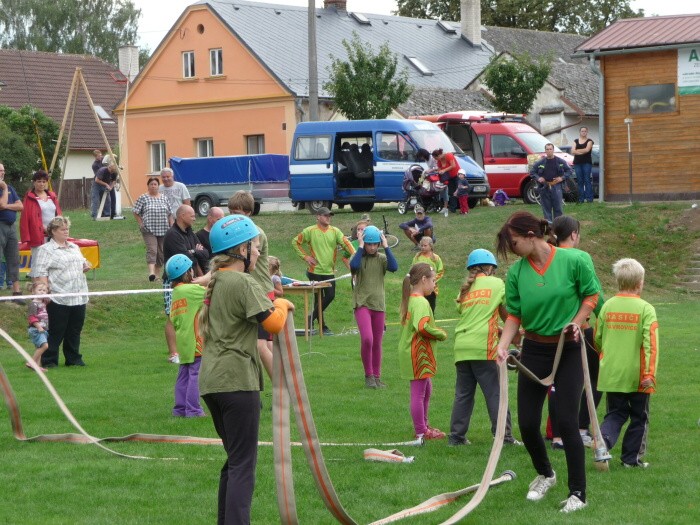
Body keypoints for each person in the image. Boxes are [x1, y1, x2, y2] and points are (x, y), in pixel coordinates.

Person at [494, 211, 600, 514]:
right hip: (534, 350)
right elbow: (514, 315)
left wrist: (577, 323)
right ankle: (546, 474)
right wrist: (503, 346)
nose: (511, 250)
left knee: (566, 421)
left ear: (530, 235)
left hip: (568, 348)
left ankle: (578, 493)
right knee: (527, 424)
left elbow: (591, 296)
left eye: (513, 243)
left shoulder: (575, 260)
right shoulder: (516, 273)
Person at [197, 214, 293, 525]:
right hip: (236, 382)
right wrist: (283, 304)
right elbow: (273, 324)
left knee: (234, 461)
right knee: (243, 465)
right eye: (254, 247)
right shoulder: (241, 281)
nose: (257, 253)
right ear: (240, 250)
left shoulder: (219, 280)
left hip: (213, 382)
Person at [449, 249, 520, 447]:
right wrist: (515, 334)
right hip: (484, 347)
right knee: (496, 393)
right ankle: (504, 437)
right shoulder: (497, 284)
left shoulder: (464, 291)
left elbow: (474, 317)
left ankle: (456, 438)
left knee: (463, 395)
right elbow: (507, 313)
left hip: (462, 347)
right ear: (490, 268)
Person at [596, 258, 659, 469]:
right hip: (638, 374)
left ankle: (603, 441)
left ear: (617, 281)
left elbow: (597, 337)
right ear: (640, 282)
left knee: (615, 412)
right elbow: (651, 344)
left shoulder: (607, 306)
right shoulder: (646, 309)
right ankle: (630, 460)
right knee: (639, 417)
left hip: (612, 372)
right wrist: (649, 374)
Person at [550, 215, 604, 447]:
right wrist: (606, 316)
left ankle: (558, 435)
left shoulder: (547, 256)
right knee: (593, 379)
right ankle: (580, 427)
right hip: (578, 329)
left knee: (554, 383)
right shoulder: (580, 257)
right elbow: (594, 293)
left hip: (548, 330)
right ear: (573, 234)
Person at [228, 191, 276, 377]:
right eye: (231, 213)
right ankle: (259, 389)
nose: (233, 217)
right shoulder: (238, 233)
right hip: (249, 293)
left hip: (261, 293)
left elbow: (245, 263)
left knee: (260, 345)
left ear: (248, 212)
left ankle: (281, 390)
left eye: (237, 213)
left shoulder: (255, 233)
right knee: (259, 345)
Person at [33, 216, 91, 368]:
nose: (66, 232)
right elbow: (41, 273)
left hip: (79, 295)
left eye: (67, 229)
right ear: (53, 231)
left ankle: (73, 359)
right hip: (58, 296)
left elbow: (82, 263)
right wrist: (44, 294)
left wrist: (85, 266)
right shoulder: (45, 250)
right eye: (62, 229)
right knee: (56, 330)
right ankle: (49, 360)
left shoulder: (74, 247)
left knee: (74, 330)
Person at [398, 262, 448, 440]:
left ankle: (424, 426)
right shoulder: (420, 302)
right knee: (418, 393)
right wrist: (439, 334)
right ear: (424, 280)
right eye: (433, 280)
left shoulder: (413, 299)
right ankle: (421, 431)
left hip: (416, 352)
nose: (435, 284)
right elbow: (421, 327)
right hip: (416, 353)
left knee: (426, 389)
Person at [292, 206, 355, 336]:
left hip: (329, 271)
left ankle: (311, 318)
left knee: (330, 296)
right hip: (315, 271)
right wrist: (306, 257)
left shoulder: (335, 231)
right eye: (326, 215)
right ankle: (322, 326)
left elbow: (346, 243)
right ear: (318, 217)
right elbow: (295, 242)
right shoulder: (310, 231)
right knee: (318, 298)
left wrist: (355, 254)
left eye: (329, 216)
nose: (328, 218)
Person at [349, 225, 398, 389]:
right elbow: (353, 266)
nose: (372, 247)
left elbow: (394, 267)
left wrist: (386, 245)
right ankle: (368, 375)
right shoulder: (357, 257)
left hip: (378, 304)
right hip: (362, 303)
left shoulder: (382, 258)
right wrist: (360, 245)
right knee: (367, 339)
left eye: (374, 244)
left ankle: (377, 377)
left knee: (377, 342)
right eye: (369, 244)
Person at [163, 205, 209, 364]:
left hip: (191, 278)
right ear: (181, 215)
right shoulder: (172, 235)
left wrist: (194, 252)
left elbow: (204, 253)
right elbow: (183, 257)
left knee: (193, 314)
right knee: (172, 314)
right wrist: (194, 253)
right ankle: (173, 353)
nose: (195, 218)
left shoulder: (190, 232)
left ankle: (193, 345)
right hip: (173, 281)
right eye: (192, 215)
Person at [166, 254, 206, 418]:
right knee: (196, 374)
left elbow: (173, 319)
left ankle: (180, 408)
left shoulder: (176, 292)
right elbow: (212, 291)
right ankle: (193, 410)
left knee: (184, 374)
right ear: (186, 272)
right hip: (195, 340)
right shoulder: (192, 290)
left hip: (182, 341)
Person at [20, 170, 62, 278]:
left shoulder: (52, 196)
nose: (42, 184)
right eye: (39, 181)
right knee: (38, 260)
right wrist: (44, 228)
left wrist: (58, 228)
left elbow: (58, 213)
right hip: (38, 234)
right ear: (34, 182)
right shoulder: (30, 197)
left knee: (54, 259)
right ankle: (37, 285)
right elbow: (27, 217)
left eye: (44, 181)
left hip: (54, 233)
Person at [132, 177, 173, 282]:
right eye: (151, 184)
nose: (153, 186)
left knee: (161, 252)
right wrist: (141, 223)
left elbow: (170, 214)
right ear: (148, 186)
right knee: (152, 250)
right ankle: (151, 273)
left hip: (163, 229)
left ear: (158, 186)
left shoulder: (164, 198)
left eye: (155, 184)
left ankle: (157, 275)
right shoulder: (143, 197)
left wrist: (171, 225)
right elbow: (135, 211)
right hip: (148, 229)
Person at [529, 143, 572, 224]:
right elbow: (532, 172)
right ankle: (549, 228)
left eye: (550, 149)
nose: (549, 151)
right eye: (547, 149)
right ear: (545, 151)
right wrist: (538, 178)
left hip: (556, 186)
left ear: (553, 150)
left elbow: (569, 170)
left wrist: (561, 178)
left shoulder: (560, 161)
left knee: (558, 208)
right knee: (546, 209)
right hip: (544, 187)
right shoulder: (541, 162)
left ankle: (558, 227)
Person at [0, 162, 24, 302]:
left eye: (3, 170)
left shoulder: (10, 188)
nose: (2, 173)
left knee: (14, 258)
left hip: (11, 226)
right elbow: (1, 205)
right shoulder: (5, 188)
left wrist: (7, 206)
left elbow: (20, 206)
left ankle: (16, 292)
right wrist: (3, 189)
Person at [411, 236, 443, 314]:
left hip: (432, 288)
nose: (423, 247)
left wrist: (433, 280)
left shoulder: (436, 258)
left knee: (431, 309)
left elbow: (441, 271)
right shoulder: (417, 257)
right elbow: (413, 269)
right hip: (419, 288)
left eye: (425, 245)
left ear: (430, 246)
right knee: (420, 308)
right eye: (421, 245)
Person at [26, 281, 50, 372]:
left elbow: (50, 298)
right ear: (33, 291)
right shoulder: (33, 304)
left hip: (42, 329)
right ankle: (31, 362)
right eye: (39, 290)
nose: (42, 292)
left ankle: (37, 366)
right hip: (36, 329)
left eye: (44, 290)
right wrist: (39, 327)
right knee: (44, 346)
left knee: (39, 348)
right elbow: (32, 317)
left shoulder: (44, 302)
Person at [432, 148, 460, 216]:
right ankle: (453, 209)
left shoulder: (449, 155)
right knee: (451, 192)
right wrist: (438, 171)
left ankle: (463, 207)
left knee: (459, 191)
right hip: (450, 177)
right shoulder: (439, 161)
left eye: (435, 158)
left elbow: (453, 166)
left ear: (439, 155)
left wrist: (444, 170)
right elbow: (439, 169)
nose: (435, 160)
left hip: (457, 175)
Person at [572, 127, 594, 204]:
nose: (583, 132)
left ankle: (589, 199)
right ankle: (581, 199)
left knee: (587, 180)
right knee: (580, 181)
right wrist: (582, 151)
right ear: (580, 132)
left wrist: (577, 150)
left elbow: (587, 150)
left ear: (587, 132)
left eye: (585, 131)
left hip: (586, 163)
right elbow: (572, 151)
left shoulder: (590, 141)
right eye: (582, 131)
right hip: (577, 163)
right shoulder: (576, 141)